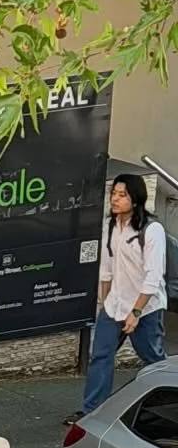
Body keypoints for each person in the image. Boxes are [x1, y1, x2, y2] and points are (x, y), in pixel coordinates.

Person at [70, 172, 168, 422]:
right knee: (100, 356)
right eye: (113, 193)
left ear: (135, 199)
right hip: (114, 305)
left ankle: (164, 409)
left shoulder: (151, 230)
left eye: (121, 195)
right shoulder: (110, 225)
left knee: (153, 361)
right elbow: (107, 266)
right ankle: (92, 412)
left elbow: (153, 276)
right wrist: (104, 300)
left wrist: (135, 312)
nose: (114, 199)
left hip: (145, 308)